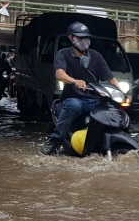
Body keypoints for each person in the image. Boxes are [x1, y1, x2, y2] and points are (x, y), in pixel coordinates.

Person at [40, 22, 121, 155]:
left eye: (86, 38)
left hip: (95, 99)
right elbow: (59, 74)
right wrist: (74, 81)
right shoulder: (63, 54)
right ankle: (54, 142)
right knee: (73, 105)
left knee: (113, 108)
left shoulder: (96, 56)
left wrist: (123, 93)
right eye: (81, 37)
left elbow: (111, 78)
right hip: (74, 98)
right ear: (71, 38)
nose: (85, 41)